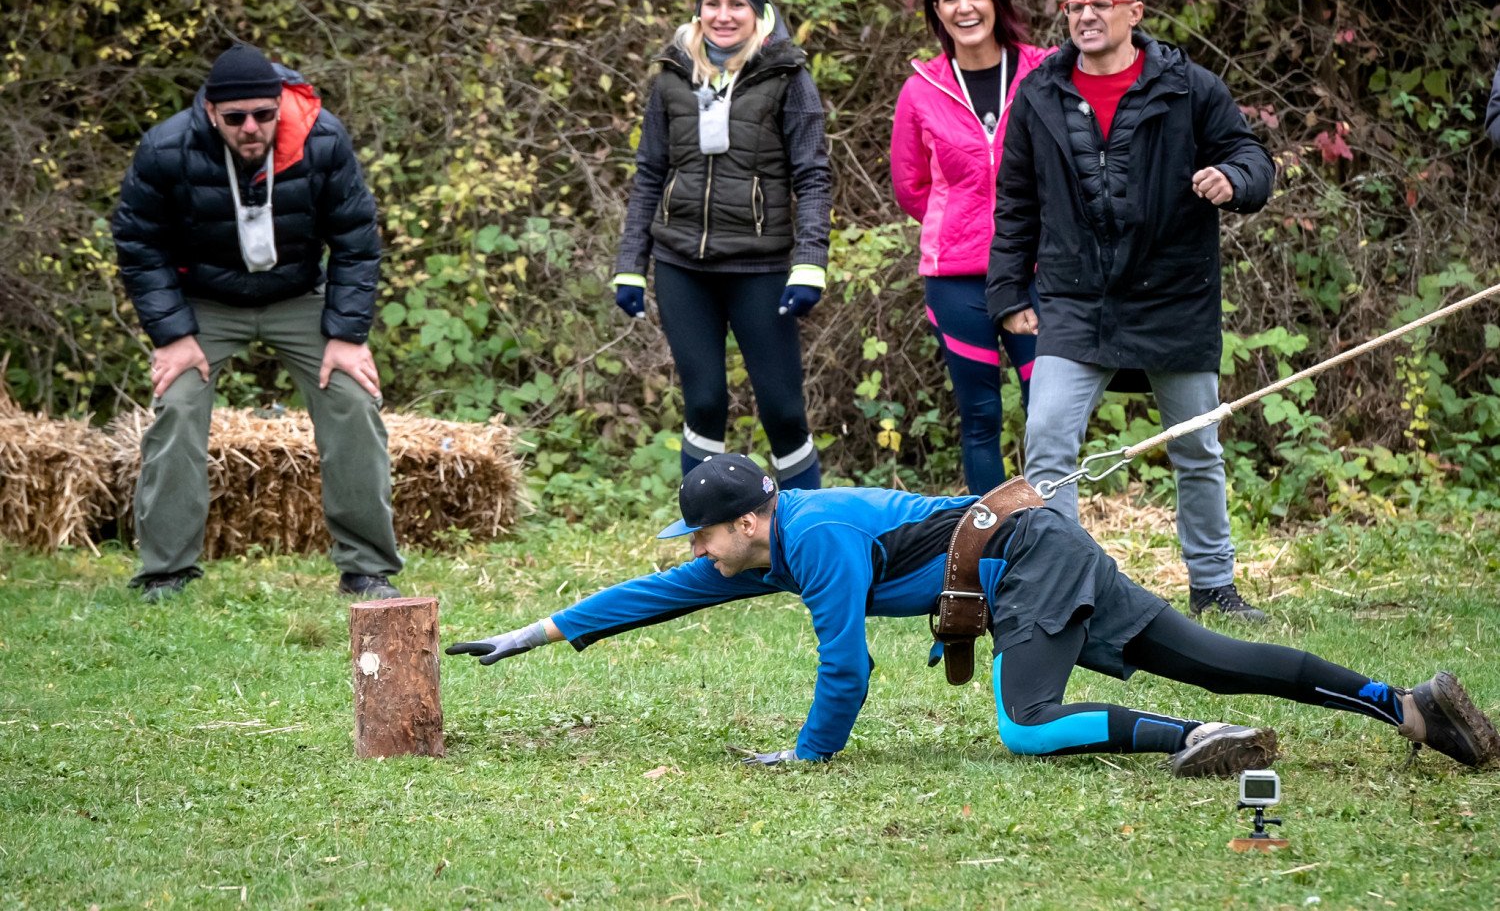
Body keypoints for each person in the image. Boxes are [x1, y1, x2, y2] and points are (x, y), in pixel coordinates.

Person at [448, 455, 1499, 776]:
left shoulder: (807, 541)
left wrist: (810, 754)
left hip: (1028, 557)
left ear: (743, 521)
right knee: (1212, 653)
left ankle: (1200, 743)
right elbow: (655, 595)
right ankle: (1406, 705)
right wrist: (540, 630)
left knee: (1026, 721)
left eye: (705, 539)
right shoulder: (775, 540)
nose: (701, 558)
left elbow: (845, 669)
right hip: (1038, 546)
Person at [986, 0, 1276, 620]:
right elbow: (1016, 203)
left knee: (1196, 447)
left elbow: (1251, 156)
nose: (1086, 16)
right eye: (1075, 6)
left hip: (1175, 294)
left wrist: (1233, 180)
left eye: (1101, 5)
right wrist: (1006, 294)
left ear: (1133, 12)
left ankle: (1213, 586)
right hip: (1074, 299)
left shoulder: (1190, 88)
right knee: (1049, 443)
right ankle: (1066, 586)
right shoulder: (1038, 95)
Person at [112, 43, 403, 602]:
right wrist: (173, 335)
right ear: (210, 113)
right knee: (177, 407)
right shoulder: (166, 147)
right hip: (205, 301)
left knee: (353, 399)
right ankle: (165, 573)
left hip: (298, 294)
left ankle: (367, 569)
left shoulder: (323, 140)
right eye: (236, 117)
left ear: (278, 107)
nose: (251, 128)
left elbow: (357, 240)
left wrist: (345, 335)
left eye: (263, 115)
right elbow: (138, 243)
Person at [611, 0, 832, 489]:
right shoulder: (670, 77)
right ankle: (708, 542)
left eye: (738, 3)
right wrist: (629, 265)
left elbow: (814, 177)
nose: (724, 15)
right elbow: (648, 174)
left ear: (758, 11)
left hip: (760, 269)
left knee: (782, 412)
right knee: (704, 402)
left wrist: (809, 264)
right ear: (698, 10)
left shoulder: (787, 75)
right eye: (713, 3)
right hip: (682, 265)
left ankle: (805, 537)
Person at [890, 0, 1055, 494]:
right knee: (980, 417)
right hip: (956, 278)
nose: (965, 7)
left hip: (1039, 271)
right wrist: (959, 221)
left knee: (1049, 415)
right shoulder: (922, 89)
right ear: (937, 13)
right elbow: (911, 186)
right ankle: (991, 547)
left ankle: (1054, 540)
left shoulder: (1045, 70)